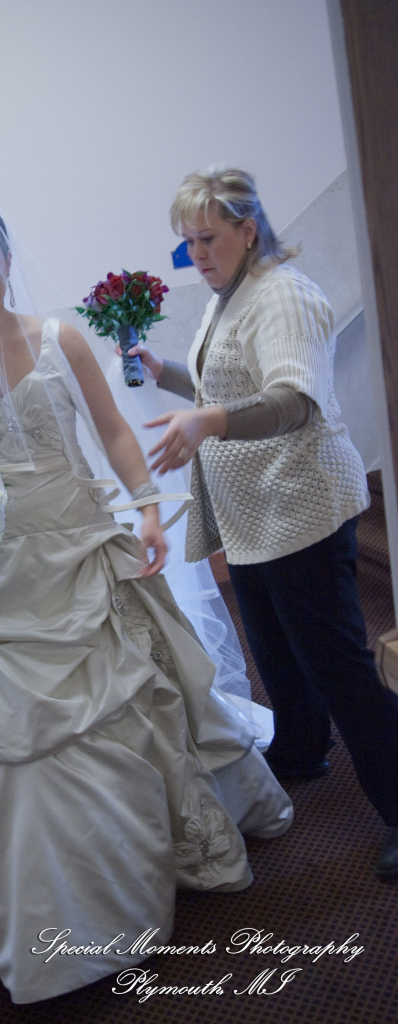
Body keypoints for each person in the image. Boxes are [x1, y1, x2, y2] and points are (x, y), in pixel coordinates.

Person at [0, 197, 294, 1004]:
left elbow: (110, 428)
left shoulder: (57, 337)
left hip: (77, 541)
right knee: (0, 736)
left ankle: (160, 858)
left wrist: (145, 503)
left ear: (8, 259)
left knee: (136, 691)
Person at [126, 167, 398, 882]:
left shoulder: (285, 295)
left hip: (301, 507)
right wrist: (169, 377)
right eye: (186, 244)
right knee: (275, 654)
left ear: (248, 231)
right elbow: (226, 387)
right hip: (252, 517)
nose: (197, 256)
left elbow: (291, 402)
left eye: (207, 239)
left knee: (338, 664)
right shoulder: (232, 294)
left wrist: (208, 418)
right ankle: (302, 749)